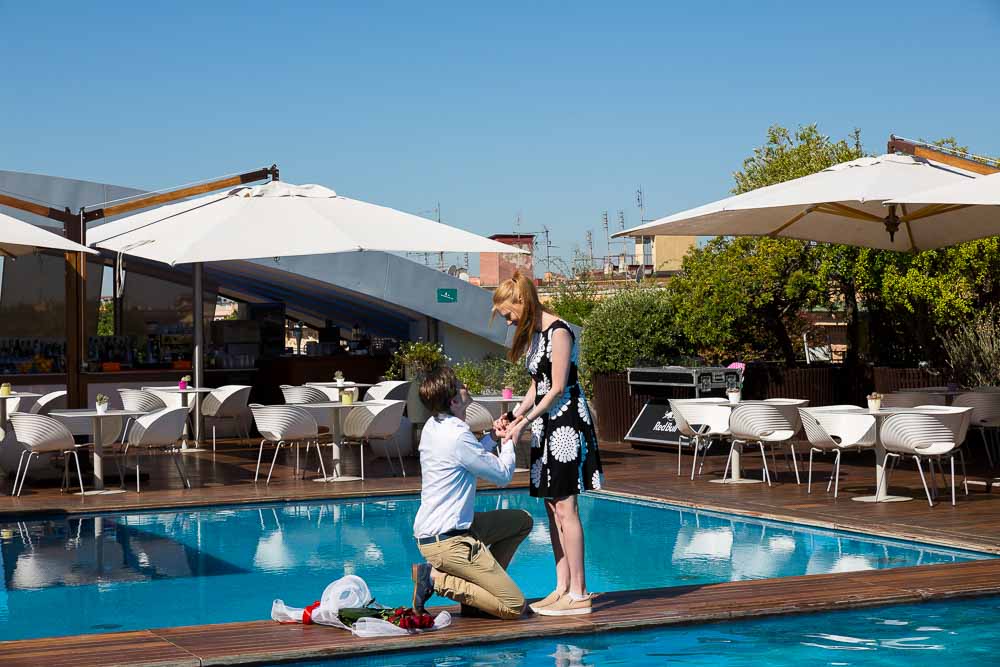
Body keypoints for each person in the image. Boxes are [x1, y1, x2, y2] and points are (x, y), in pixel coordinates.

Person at [491, 271, 603, 616]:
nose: (508, 321)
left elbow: (556, 389)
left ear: (522, 302)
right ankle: (562, 587)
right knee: (552, 509)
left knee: (566, 508)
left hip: (566, 425)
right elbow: (535, 387)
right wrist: (513, 415)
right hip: (545, 426)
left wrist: (523, 423)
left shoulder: (559, 332)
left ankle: (580, 592)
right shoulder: (538, 336)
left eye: (508, 313)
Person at [410, 366, 533, 619]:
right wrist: (510, 440)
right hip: (450, 542)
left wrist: (493, 438)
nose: (465, 386)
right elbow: (502, 475)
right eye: (460, 384)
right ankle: (435, 580)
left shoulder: (434, 426)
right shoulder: (456, 436)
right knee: (514, 607)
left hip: (442, 533)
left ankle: (478, 597)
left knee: (521, 521)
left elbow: (469, 455)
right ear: (455, 401)